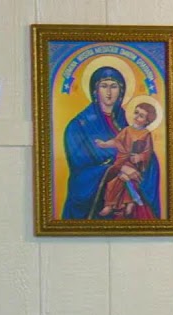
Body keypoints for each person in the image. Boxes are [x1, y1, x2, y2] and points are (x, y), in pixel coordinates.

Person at [60, 66, 162, 220]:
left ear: (121, 91)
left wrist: (140, 162)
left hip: (132, 190)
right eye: (104, 86)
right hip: (96, 200)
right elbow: (79, 166)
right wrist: (117, 168)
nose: (109, 92)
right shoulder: (79, 125)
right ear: (95, 90)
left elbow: (150, 158)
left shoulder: (129, 122)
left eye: (114, 87)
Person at [93, 101, 157, 218]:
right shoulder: (127, 130)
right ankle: (113, 204)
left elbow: (148, 152)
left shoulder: (146, 134)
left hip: (133, 163)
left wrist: (139, 157)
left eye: (141, 116)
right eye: (136, 113)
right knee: (116, 180)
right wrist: (104, 144)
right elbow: (116, 141)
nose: (137, 117)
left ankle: (127, 203)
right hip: (121, 160)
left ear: (147, 121)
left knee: (122, 179)